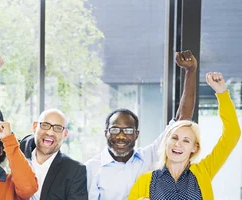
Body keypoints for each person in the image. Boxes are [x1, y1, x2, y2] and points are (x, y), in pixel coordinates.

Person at [85, 50, 198, 200]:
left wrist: (191, 71)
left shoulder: (149, 157)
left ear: (136, 134)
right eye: (115, 129)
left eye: (128, 130)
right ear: (105, 132)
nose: (121, 135)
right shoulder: (91, 168)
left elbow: (182, 120)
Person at [0, 54, 87, 199]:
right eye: (46, 125)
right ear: (34, 126)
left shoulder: (74, 171)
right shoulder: (19, 151)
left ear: (65, 134)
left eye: (57, 128)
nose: (50, 132)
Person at [128, 72, 241, 200]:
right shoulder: (145, 181)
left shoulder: (203, 171)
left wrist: (222, 93)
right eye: (174, 138)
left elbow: (233, 134)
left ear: (195, 148)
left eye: (186, 141)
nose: (178, 144)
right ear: (166, 142)